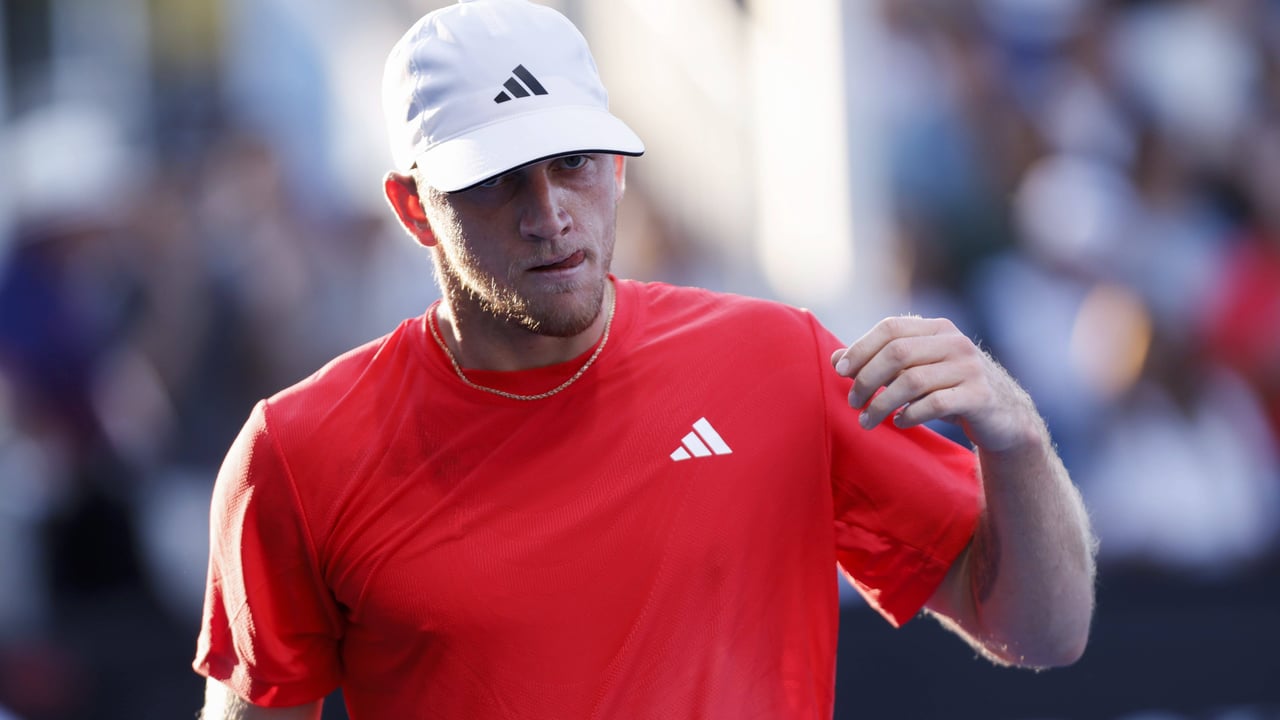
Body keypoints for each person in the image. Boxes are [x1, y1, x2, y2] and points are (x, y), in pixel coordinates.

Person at [193, 1, 1097, 718]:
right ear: (414, 207)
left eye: (573, 163)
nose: (549, 213)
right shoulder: (298, 451)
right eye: (497, 179)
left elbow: (1042, 631)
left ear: (619, 169)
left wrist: (1016, 437)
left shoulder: (777, 360)